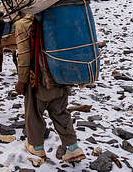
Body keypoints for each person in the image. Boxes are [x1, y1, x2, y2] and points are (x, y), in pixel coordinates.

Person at [14, 14, 86, 162]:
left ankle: (37, 147)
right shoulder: (58, 17)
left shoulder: (24, 24)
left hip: (39, 78)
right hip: (60, 75)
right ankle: (73, 148)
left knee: (34, 112)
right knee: (60, 112)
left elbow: (24, 56)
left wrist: (21, 80)